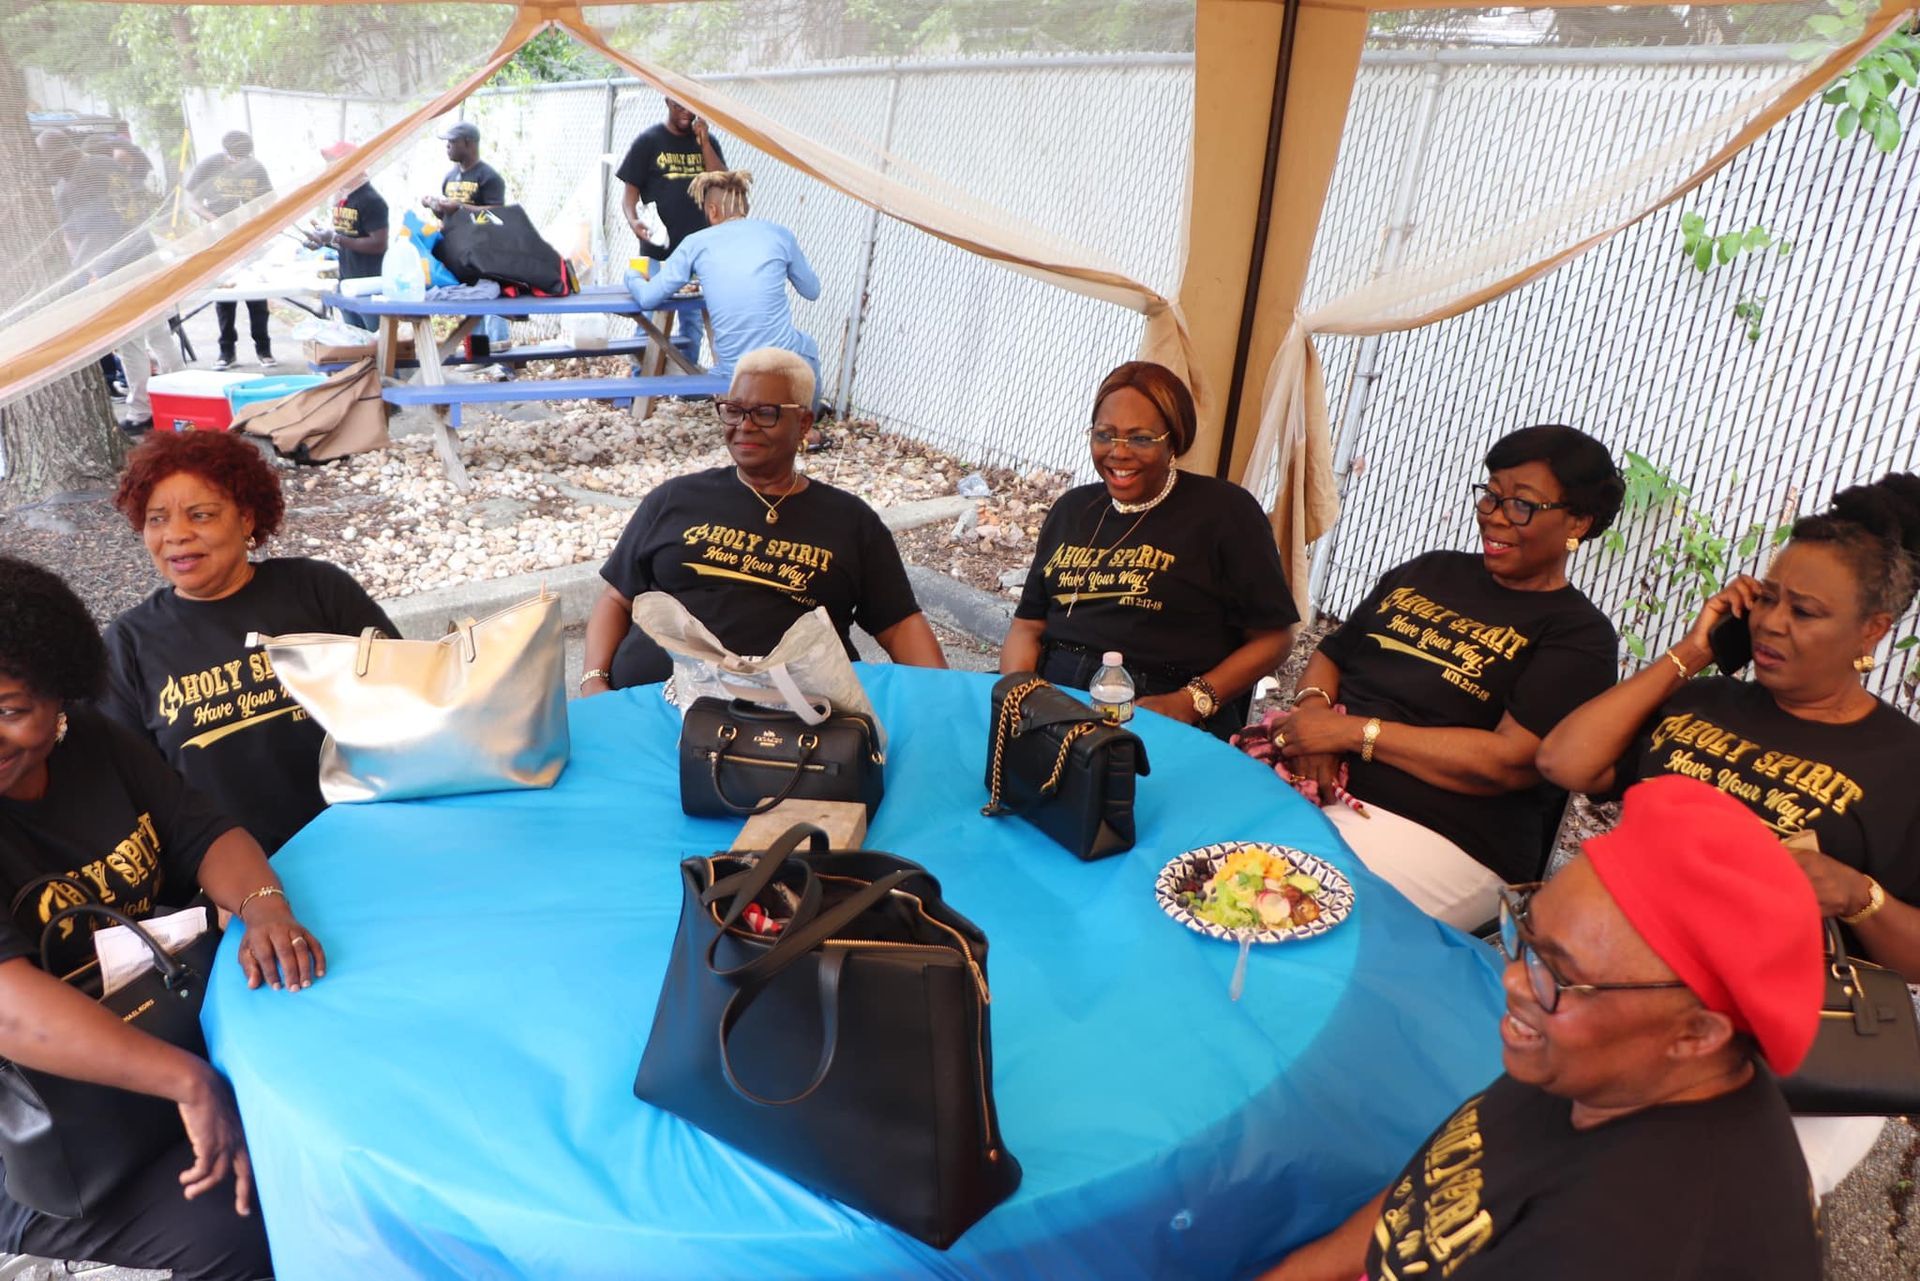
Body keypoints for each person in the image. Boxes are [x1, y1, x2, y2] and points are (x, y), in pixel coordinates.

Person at [1262, 776, 1822, 1281]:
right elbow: (1425, 1200)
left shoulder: (1635, 1244)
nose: (1513, 980)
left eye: (1556, 970)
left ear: (1696, 1034)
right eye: (1525, 935)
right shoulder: (1603, 1060)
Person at [1538, 472, 1920, 1197]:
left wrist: (1857, 893)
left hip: (1782, 1041)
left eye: (1805, 611)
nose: (1774, 623)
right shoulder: (1708, 698)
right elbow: (1565, 760)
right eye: (1767, 596)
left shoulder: (1904, 765)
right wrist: (1693, 651)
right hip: (1618, 988)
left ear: (1872, 629)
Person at [0, 556, 325, 1280]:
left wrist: (267, 909)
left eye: (9, 709)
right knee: (250, 1233)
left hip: (170, 1034)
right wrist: (188, 1082)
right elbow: (11, 1013)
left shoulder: (94, 742)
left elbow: (200, 830)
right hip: (63, 1137)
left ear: (60, 696)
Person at [1269, 425, 1623, 929]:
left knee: (1283, 913)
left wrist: (1352, 733)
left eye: (1522, 504)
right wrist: (1312, 721)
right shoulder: (1429, 571)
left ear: (1579, 523)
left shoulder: (1579, 636)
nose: (1495, 517)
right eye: (1491, 495)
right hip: (1316, 778)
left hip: (1443, 831)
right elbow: (1334, 652)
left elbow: (1505, 761)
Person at [100, 432, 395, 856]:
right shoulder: (128, 644)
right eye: (157, 519)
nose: (176, 535)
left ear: (246, 519)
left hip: (368, 835)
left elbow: (405, 702)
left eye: (200, 515)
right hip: (240, 880)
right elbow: (138, 795)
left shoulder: (318, 591)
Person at [582, 348, 946, 693]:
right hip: (654, 700)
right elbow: (617, 598)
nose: (745, 425)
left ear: (804, 423)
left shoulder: (852, 522)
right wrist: (594, 682)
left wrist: (945, 702)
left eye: (765, 412)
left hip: (795, 720)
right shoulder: (674, 499)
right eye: (734, 410)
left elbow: (899, 626)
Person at [998, 361, 1297, 738]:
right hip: (1052, 695)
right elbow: (1028, 625)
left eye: (1140, 439)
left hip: (1159, 705)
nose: (1118, 453)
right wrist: (1020, 694)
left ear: (1173, 441)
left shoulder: (1225, 512)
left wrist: (1190, 702)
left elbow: (1275, 638)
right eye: (1104, 435)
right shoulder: (1072, 509)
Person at [622, 170, 821, 388]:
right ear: (745, 207)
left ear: (712, 211)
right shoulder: (780, 235)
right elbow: (812, 291)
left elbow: (648, 298)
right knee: (808, 347)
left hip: (732, 369)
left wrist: (632, 276)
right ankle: (808, 416)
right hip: (781, 358)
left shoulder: (695, 244)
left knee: (719, 364)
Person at [36, 131, 179, 432]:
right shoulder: (106, 164)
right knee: (158, 333)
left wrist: (86, 273)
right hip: (145, 255)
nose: (53, 170)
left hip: (115, 270)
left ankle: (141, 411)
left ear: (62, 158)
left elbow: (79, 238)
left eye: (53, 164)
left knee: (129, 342)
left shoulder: (71, 187)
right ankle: (178, 396)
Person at [618, 96, 726, 369]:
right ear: (667, 102)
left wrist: (704, 142)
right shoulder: (649, 142)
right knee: (650, 317)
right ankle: (638, 383)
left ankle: (686, 385)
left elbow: (722, 181)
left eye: (692, 107)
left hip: (699, 252)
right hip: (659, 251)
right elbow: (629, 196)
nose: (687, 113)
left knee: (692, 323)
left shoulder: (707, 143)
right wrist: (633, 222)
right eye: (680, 106)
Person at [184, 131, 276, 371]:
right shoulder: (210, 165)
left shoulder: (256, 168)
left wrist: (258, 219)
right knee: (224, 295)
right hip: (217, 238)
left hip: (249, 237)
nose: (238, 162)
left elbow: (271, 200)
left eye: (242, 158)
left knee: (256, 294)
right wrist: (212, 218)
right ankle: (227, 351)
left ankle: (264, 348)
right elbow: (190, 199)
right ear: (225, 152)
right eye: (234, 158)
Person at [421, 121, 509, 361]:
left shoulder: (489, 177)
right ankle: (477, 358)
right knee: (470, 307)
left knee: (492, 304)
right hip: (457, 253)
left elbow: (497, 216)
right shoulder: (450, 177)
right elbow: (447, 216)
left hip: (485, 252)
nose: (447, 147)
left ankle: (502, 359)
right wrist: (435, 206)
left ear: (468, 143)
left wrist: (460, 207)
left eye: (452, 142)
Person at [302, 140, 389, 331]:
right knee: (357, 343)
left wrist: (334, 238)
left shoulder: (371, 200)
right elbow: (347, 239)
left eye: (334, 163)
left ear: (351, 165)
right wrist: (322, 241)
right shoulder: (344, 199)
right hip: (347, 283)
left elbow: (379, 244)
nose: (330, 169)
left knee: (375, 344)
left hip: (369, 287)